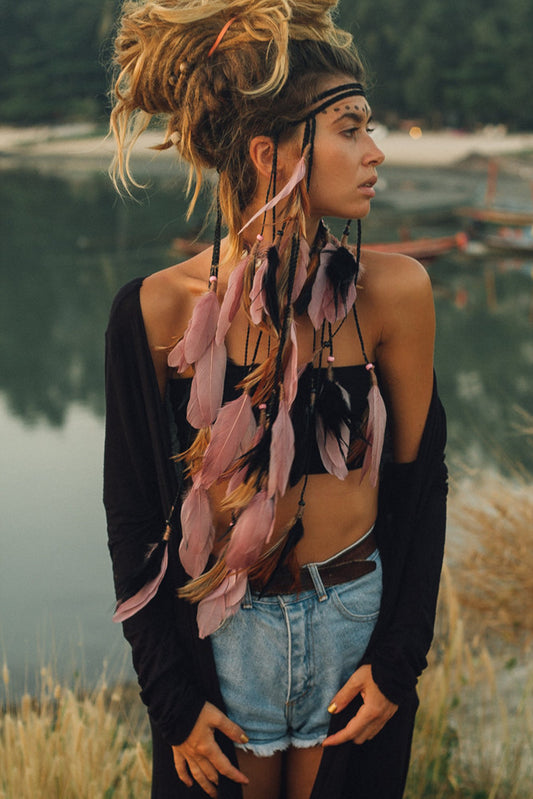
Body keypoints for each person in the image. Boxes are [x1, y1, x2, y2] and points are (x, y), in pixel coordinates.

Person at [104, 2, 448, 798]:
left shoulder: (395, 295)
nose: (376, 153)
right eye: (351, 128)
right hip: (222, 642)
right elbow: (132, 519)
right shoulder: (154, 311)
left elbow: (419, 488)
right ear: (271, 151)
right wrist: (173, 700)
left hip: (352, 629)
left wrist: (397, 665)